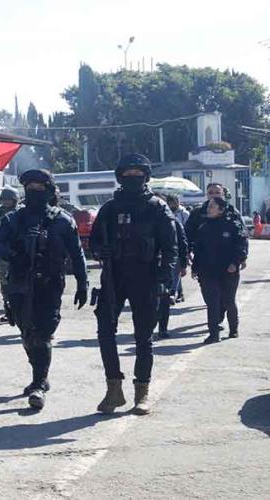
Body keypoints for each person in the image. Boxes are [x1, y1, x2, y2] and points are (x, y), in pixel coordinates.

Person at [0, 170, 87, 409]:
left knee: (43, 333)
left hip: (49, 285)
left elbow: (77, 253)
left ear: (49, 190)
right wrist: (16, 254)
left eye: (39, 187)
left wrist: (83, 282)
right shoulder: (14, 219)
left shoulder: (63, 220)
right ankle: (39, 374)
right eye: (30, 187)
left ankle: (38, 383)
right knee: (27, 333)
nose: (35, 191)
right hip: (20, 284)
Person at [90, 153, 177, 416]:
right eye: (126, 174)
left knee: (143, 338)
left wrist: (164, 279)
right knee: (105, 331)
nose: (132, 178)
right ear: (119, 177)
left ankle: (142, 391)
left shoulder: (156, 207)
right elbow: (93, 242)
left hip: (146, 276)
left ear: (146, 176)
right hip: (114, 276)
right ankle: (113, 389)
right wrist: (100, 250)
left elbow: (170, 248)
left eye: (137, 174)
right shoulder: (109, 208)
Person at [191, 197, 248, 343]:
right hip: (208, 271)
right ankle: (213, 334)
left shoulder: (233, 225)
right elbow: (199, 250)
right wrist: (195, 267)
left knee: (228, 300)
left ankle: (233, 329)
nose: (208, 209)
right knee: (213, 302)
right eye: (208, 206)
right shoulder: (204, 228)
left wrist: (236, 262)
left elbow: (241, 245)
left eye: (212, 207)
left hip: (228, 270)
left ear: (221, 209)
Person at [155, 194, 189, 340]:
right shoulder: (142, 220)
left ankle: (162, 328)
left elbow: (182, 243)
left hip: (167, 264)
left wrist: (183, 263)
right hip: (146, 265)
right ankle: (148, 328)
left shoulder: (173, 221)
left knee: (164, 298)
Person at [0, 186, 19, 321]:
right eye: (4, 199)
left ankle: (19, 309)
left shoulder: (20, 212)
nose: (6, 202)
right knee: (4, 282)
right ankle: (8, 310)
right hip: (2, 252)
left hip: (17, 252)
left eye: (9, 200)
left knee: (17, 281)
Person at [165, 193, 190, 302]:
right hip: (171, 243)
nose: (171, 205)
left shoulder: (184, 214)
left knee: (176, 270)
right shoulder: (166, 213)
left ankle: (173, 292)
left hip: (181, 241)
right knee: (175, 271)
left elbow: (188, 228)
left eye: (173, 202)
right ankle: (179, 292)